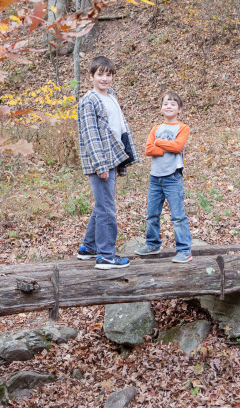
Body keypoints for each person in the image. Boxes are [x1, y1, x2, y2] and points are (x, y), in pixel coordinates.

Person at [76, 56, 138, 269]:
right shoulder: (89, 100)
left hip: (112, 158)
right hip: (100, 161)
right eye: (100, 74)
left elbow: (118, 129)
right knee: (107, 209)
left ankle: (88, 247)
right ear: (91, 76)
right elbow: (91, 136)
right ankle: (105, 255)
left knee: (102, 204)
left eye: (108, 74)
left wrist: (120, 161)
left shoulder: (110, 96)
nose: (104, 78)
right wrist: (101, 165)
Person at [134, 91, 192, 263]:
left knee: (177, 216)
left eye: (173, 104)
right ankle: (152, 244)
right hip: (155, 177)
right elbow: (147, 150)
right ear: (161, 108)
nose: (169, 106)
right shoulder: (156, 129)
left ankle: (184, 250)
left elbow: (178, 146)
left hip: (172, 177)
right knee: (151, 213)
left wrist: (159, 143)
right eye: (166, 103)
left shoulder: (182, 128)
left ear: (179, 109)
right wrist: (165, 147)